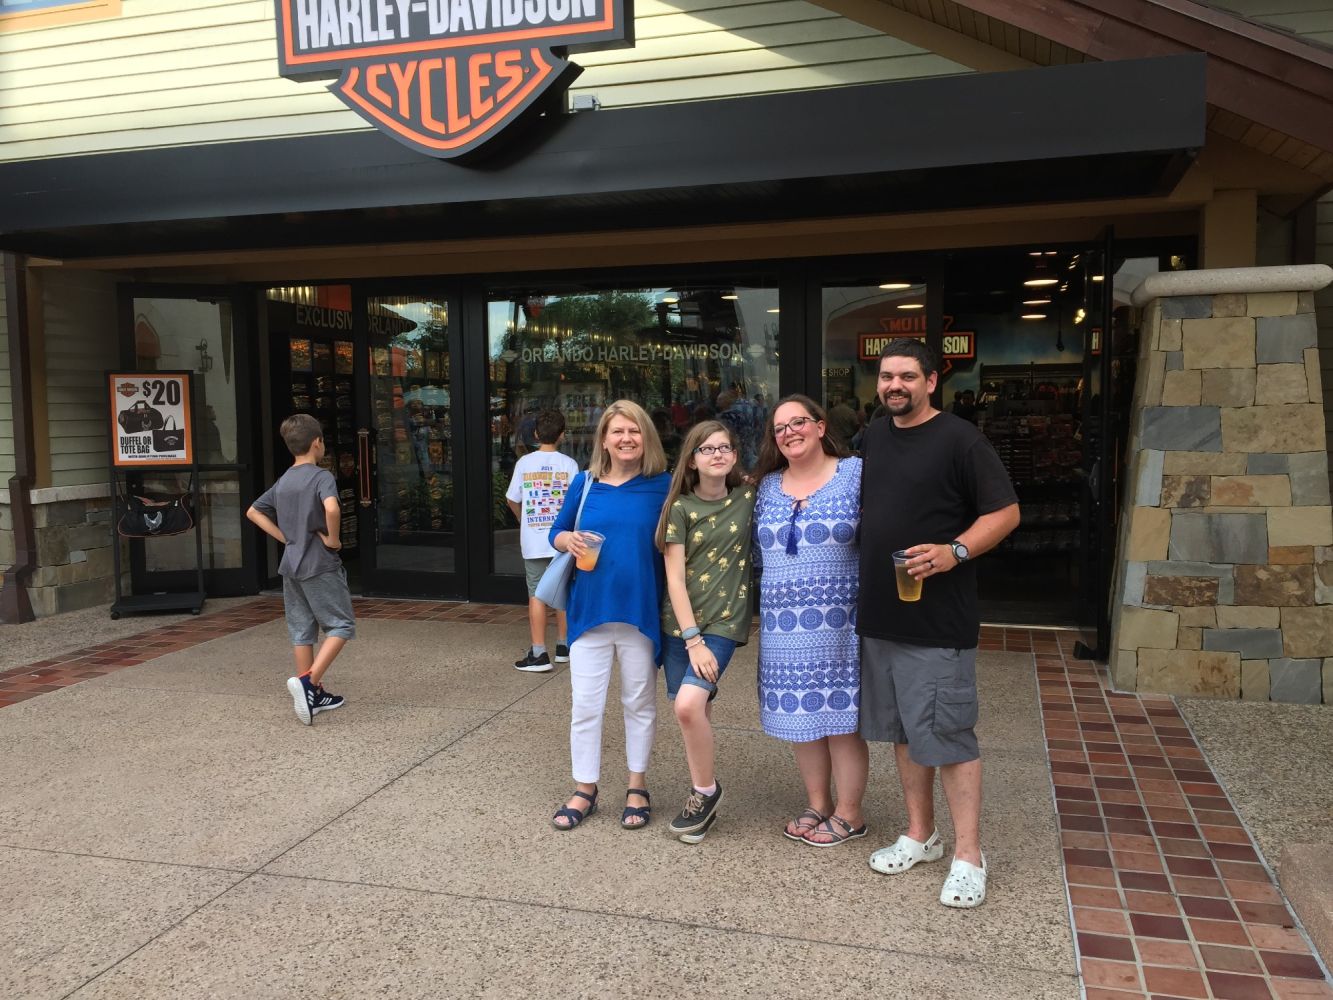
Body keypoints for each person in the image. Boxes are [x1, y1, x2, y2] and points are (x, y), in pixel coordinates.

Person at [858, 338, 1019, 908]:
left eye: (906, 376)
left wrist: (956, 550)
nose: (894, 385)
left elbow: (1006, 512)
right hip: (881, 617)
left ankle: (970, 856)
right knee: (905, 731)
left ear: (930, 381)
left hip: (938, 621)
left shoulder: (960, 439)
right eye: (886, 376)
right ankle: (920, 834)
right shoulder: (874, 436)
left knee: (949, 736)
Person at [548, 400, 671, 831]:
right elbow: (556, 532)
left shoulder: (664, 486)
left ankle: (638, 786)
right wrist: (567, 540)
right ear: (604, 439)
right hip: (590, 613)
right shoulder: (584, 484)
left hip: (639, 613)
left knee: (639, 704)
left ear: (646, 438)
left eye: (634, 431)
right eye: (617, 431)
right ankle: (585, 788)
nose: (626, 438)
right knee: (585, 705)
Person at [753, 395, 868, 847]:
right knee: (802, 721)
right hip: (783, 629)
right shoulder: (765, 487)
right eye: (780, 428)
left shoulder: (855, 473)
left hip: (841, 624)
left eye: (798, 422)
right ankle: (818, 804)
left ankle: (850, 814)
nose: (789, 432)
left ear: (820, 427)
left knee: (841, 721)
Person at [656, 420, 755, 842]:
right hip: (681, 626)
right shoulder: (680, 508)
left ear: (734, 455)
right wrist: (691, 639)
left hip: (724, 622)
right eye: (707, 449)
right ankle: (703, 797)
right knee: (697, 711)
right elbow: (675, 580)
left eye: (725, 447)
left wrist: (702, 641)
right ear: (692, 460)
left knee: (687, 706)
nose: (717, 454)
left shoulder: (749, 497)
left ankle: (705, 792)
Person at [246, 413, 355, 726]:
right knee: (341, 624)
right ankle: (309, 682)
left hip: (291, 565)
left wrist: (286, 538)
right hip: (319, 563)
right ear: (317, 443)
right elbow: (332, 508)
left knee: (301, 630)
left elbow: (253, 511)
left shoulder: (284, 480)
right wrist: (333, 539)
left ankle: (312, 695)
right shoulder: (321, 477)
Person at [506, 409, 580, 672]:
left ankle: (538, 653)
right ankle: (564, 646)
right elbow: (576, 504)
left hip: (534, 541)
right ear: (562, 435)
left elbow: (512, 498)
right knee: (563, 591)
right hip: (562, 539)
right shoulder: (569, 464)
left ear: (536, 434)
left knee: (536, 595)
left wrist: (522, 519)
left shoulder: (524, 463)